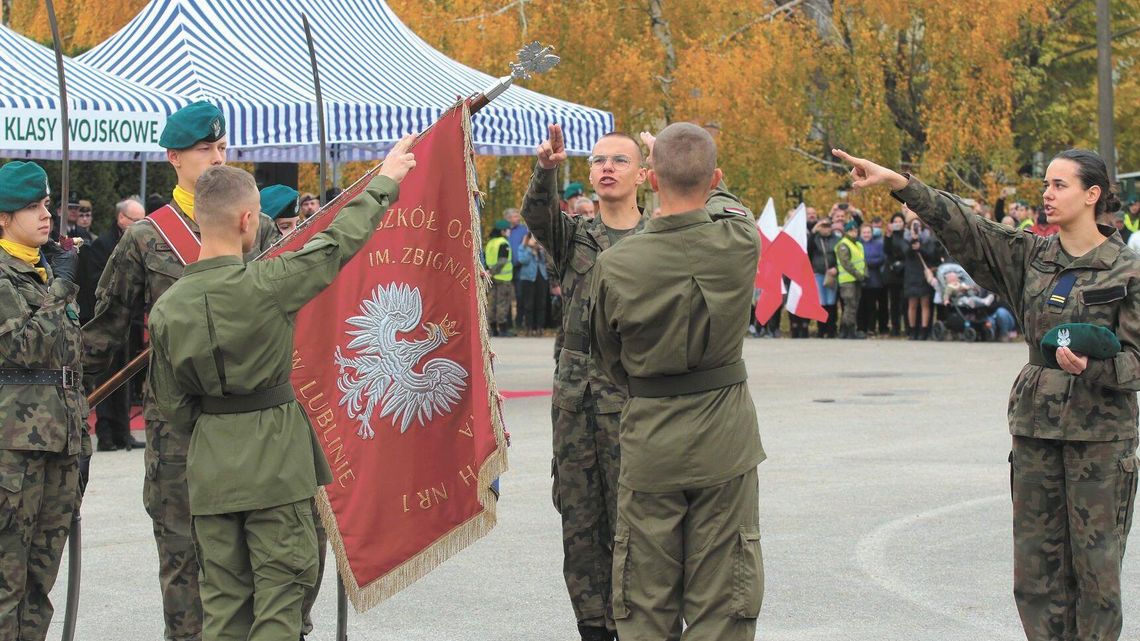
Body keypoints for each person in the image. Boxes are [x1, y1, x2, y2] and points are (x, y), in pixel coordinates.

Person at [835, 146, 1139, 641]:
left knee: (1096, 575)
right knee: (1036, 574)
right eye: (1046, 183)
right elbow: (966, 226)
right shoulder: (1032, 256)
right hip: (1037, 429)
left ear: (1093, 194)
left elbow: (1138, 361)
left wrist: (1096, 367)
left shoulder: (1127, 270)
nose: (1047, 193)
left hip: (1101, 440)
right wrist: (900, 184)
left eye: (1059, 185)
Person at [149, 139, 415, 641]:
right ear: (249, 220)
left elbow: (171, 406)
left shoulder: (168, 308)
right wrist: (386, 179)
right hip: (275, 461)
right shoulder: (268, 283)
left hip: (210, 466)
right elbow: (337, 242)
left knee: (223, 607)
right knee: (281, 602)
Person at [82, 100, 286, 641]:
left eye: (222, 147)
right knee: (185, 566)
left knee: (263, 563)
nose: (218, 157)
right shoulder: (147, 238)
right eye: (205, 149)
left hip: (250, 424)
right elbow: (106, 335)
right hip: (178, 434)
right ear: (174, 157)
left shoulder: (259, 227)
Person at [592, 123, 764, 641]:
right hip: (726, 439)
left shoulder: (616, 263)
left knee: (644, 601)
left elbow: (608, 359)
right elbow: (729, 202)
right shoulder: (740, 237)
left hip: (651, 439)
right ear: (714, 178)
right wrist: (678, 160)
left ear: (648, 180)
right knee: (722, 602)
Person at [520, 123, 647, 641]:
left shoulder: (660, 238)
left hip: (636, 401)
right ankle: (592, 627)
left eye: (619, 159)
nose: (607, 167)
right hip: (576, 403)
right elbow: (538, 214)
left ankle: (638, 622)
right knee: (579, 520)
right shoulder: (575, 235)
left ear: (643, 174)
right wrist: (545, 170)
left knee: (635, 525)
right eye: (598, 160)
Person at [0, 161, 89, 641]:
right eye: (31, 207)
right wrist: (60, 288)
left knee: (40, 583)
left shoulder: (44, 269)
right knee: (6, 583)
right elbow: (22, 347)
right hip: (12, 455)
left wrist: (83, 443)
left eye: (47, 205)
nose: (45, 215)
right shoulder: (7, 275)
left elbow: (71, 365)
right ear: (2, 217)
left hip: (59, 447)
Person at [77, 196, 147, 452]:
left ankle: (123, 431)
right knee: (107, 377)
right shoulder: (102, 244)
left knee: (125, 378)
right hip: (107, 320)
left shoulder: (139, 243)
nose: (141, 225)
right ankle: (106, 433)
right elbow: (97, 283)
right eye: (137, 220)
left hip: (132, 321)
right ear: (121, 219)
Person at [808, 216, 840, 337]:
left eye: (827, 226)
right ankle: (821, 329)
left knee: (831, 302)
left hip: (831, 274)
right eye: (823, 226)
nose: (825, 229)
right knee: (821, 302)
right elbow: (807, 249)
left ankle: (831, 329)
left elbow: (840, 256)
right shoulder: (815, 239)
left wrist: (836, 268)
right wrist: (813, 232)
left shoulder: (836, 239)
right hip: (818, 273)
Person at [835, 220, 866, 339]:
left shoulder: (858, 244)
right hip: (847, 280)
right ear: (847, 232)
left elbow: (862, 262)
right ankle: (849, 330)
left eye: (855, 231)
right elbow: (846, 263)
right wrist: (858, 274)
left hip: (857, 279)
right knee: (850, 305)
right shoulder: (843, 244)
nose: (854, 233)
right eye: (851, 231)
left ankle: (845, 330)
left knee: (854, 305)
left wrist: (863, 274)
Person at [484, 220, 514, 337]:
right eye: (508, 230)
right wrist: (492, 272)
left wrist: (489, 271)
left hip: (492, 278)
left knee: (492, 302)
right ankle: (503, 329)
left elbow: (487, 259)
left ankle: (492, 328)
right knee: (502, 303)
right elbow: (502, 261)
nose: (509, 232)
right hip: (503, 278)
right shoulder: (503, 243)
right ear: (502, 231)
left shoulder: (491, 243)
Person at [516, 232, 549, 336]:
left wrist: (541, 250)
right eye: (532, 239)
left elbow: (547, 261)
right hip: (528, 278)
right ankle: (529, 327)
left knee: (541, 303)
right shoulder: (523, 247)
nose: (535, 241)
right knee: (528, 303)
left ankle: (539, 327)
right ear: (527, 239)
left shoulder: (542, 248)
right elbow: (522, 260)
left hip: (541, 276)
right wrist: (531, 251)